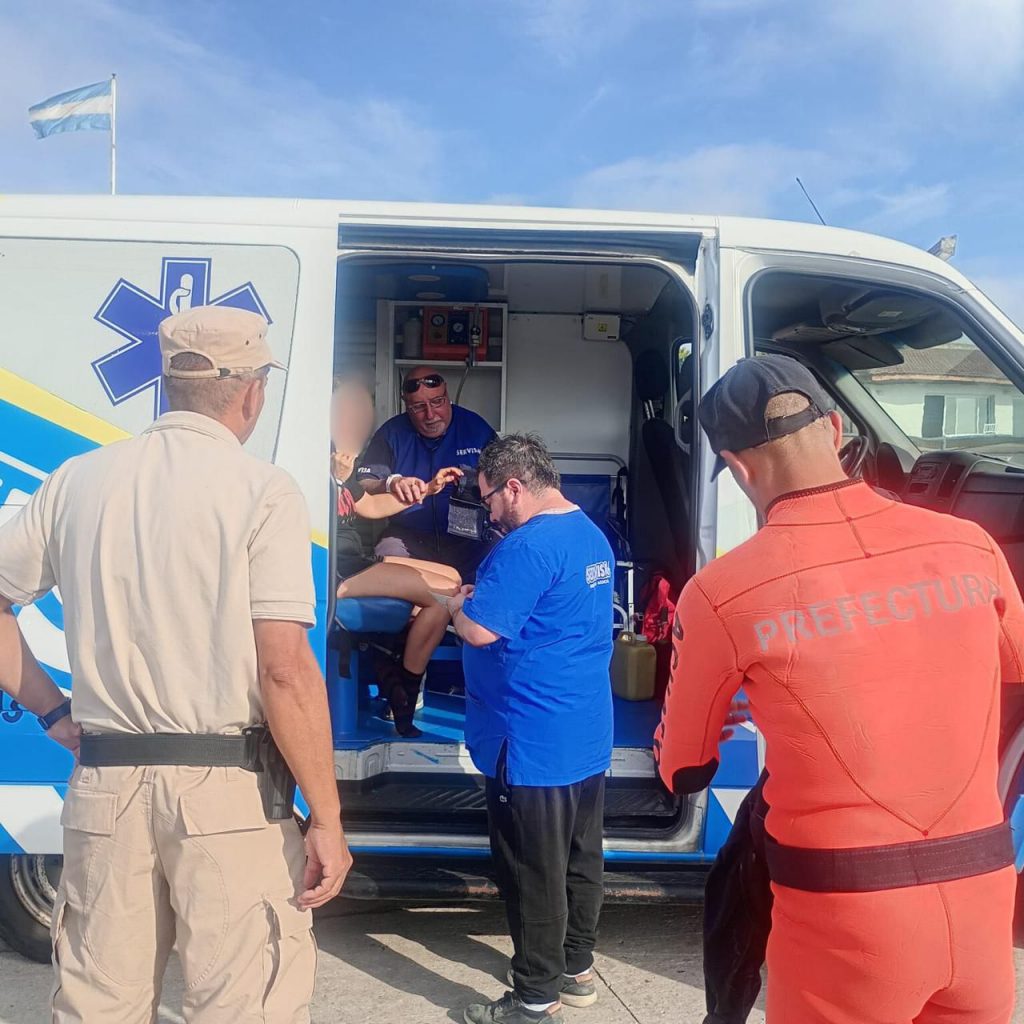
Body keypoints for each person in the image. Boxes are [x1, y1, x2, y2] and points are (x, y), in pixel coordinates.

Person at [0, 305, 352, 1022]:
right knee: (242, 1006)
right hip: (228, 797)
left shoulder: (76, 482)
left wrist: (53, 709)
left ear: (169, 385)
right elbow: (284, 671)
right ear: (251, 391)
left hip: (105, 790)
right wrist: (327, 816)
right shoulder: (263, 491)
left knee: (99, 1007)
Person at [655, 353, 1024, 1024]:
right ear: (833, 427)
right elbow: (1014, 668)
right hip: (981, 892)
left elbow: (683, 767)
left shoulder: (720, 592)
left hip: (843, 912)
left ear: (737, 468)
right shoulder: (972, 545)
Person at [447, 433, 614, 1024]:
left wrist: (456, 606)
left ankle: (535, 999)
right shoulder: (588, 533)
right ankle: (575, 969)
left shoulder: (528, 546)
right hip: (583, 732)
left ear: (515, 487)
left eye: (489, 498)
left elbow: (479, 630)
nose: (489, 512)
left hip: (531, 740)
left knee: (530, 872)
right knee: (579, 858)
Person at [330, 370, 463, 736]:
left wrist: (429, 489)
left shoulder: (342, 461)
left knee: (452, 578)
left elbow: (370, 507)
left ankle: (391, 662)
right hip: (334, 568)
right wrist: (335, 478)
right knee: (443, 597)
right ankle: (403, 693)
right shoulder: (313, 459)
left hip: (355, 560)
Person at [358, 365, 497, 581]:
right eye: (418, 407)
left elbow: (505, 476)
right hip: (409, 538)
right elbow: (364, 482)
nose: (430, 415)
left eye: (437, 402)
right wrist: (391, 483)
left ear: (447, 394)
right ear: (406, 404)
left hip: (469, 539)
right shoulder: (391, 433)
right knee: (386, 558)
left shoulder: (476, 428)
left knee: (501, 555)